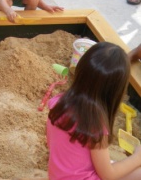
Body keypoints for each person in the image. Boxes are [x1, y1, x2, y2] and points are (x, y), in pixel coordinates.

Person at [47, 42, 141, 179]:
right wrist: (137, 158)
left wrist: (133, 53)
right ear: (116, 91)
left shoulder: (57, 102)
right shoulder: (95, 125)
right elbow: (109, 175)